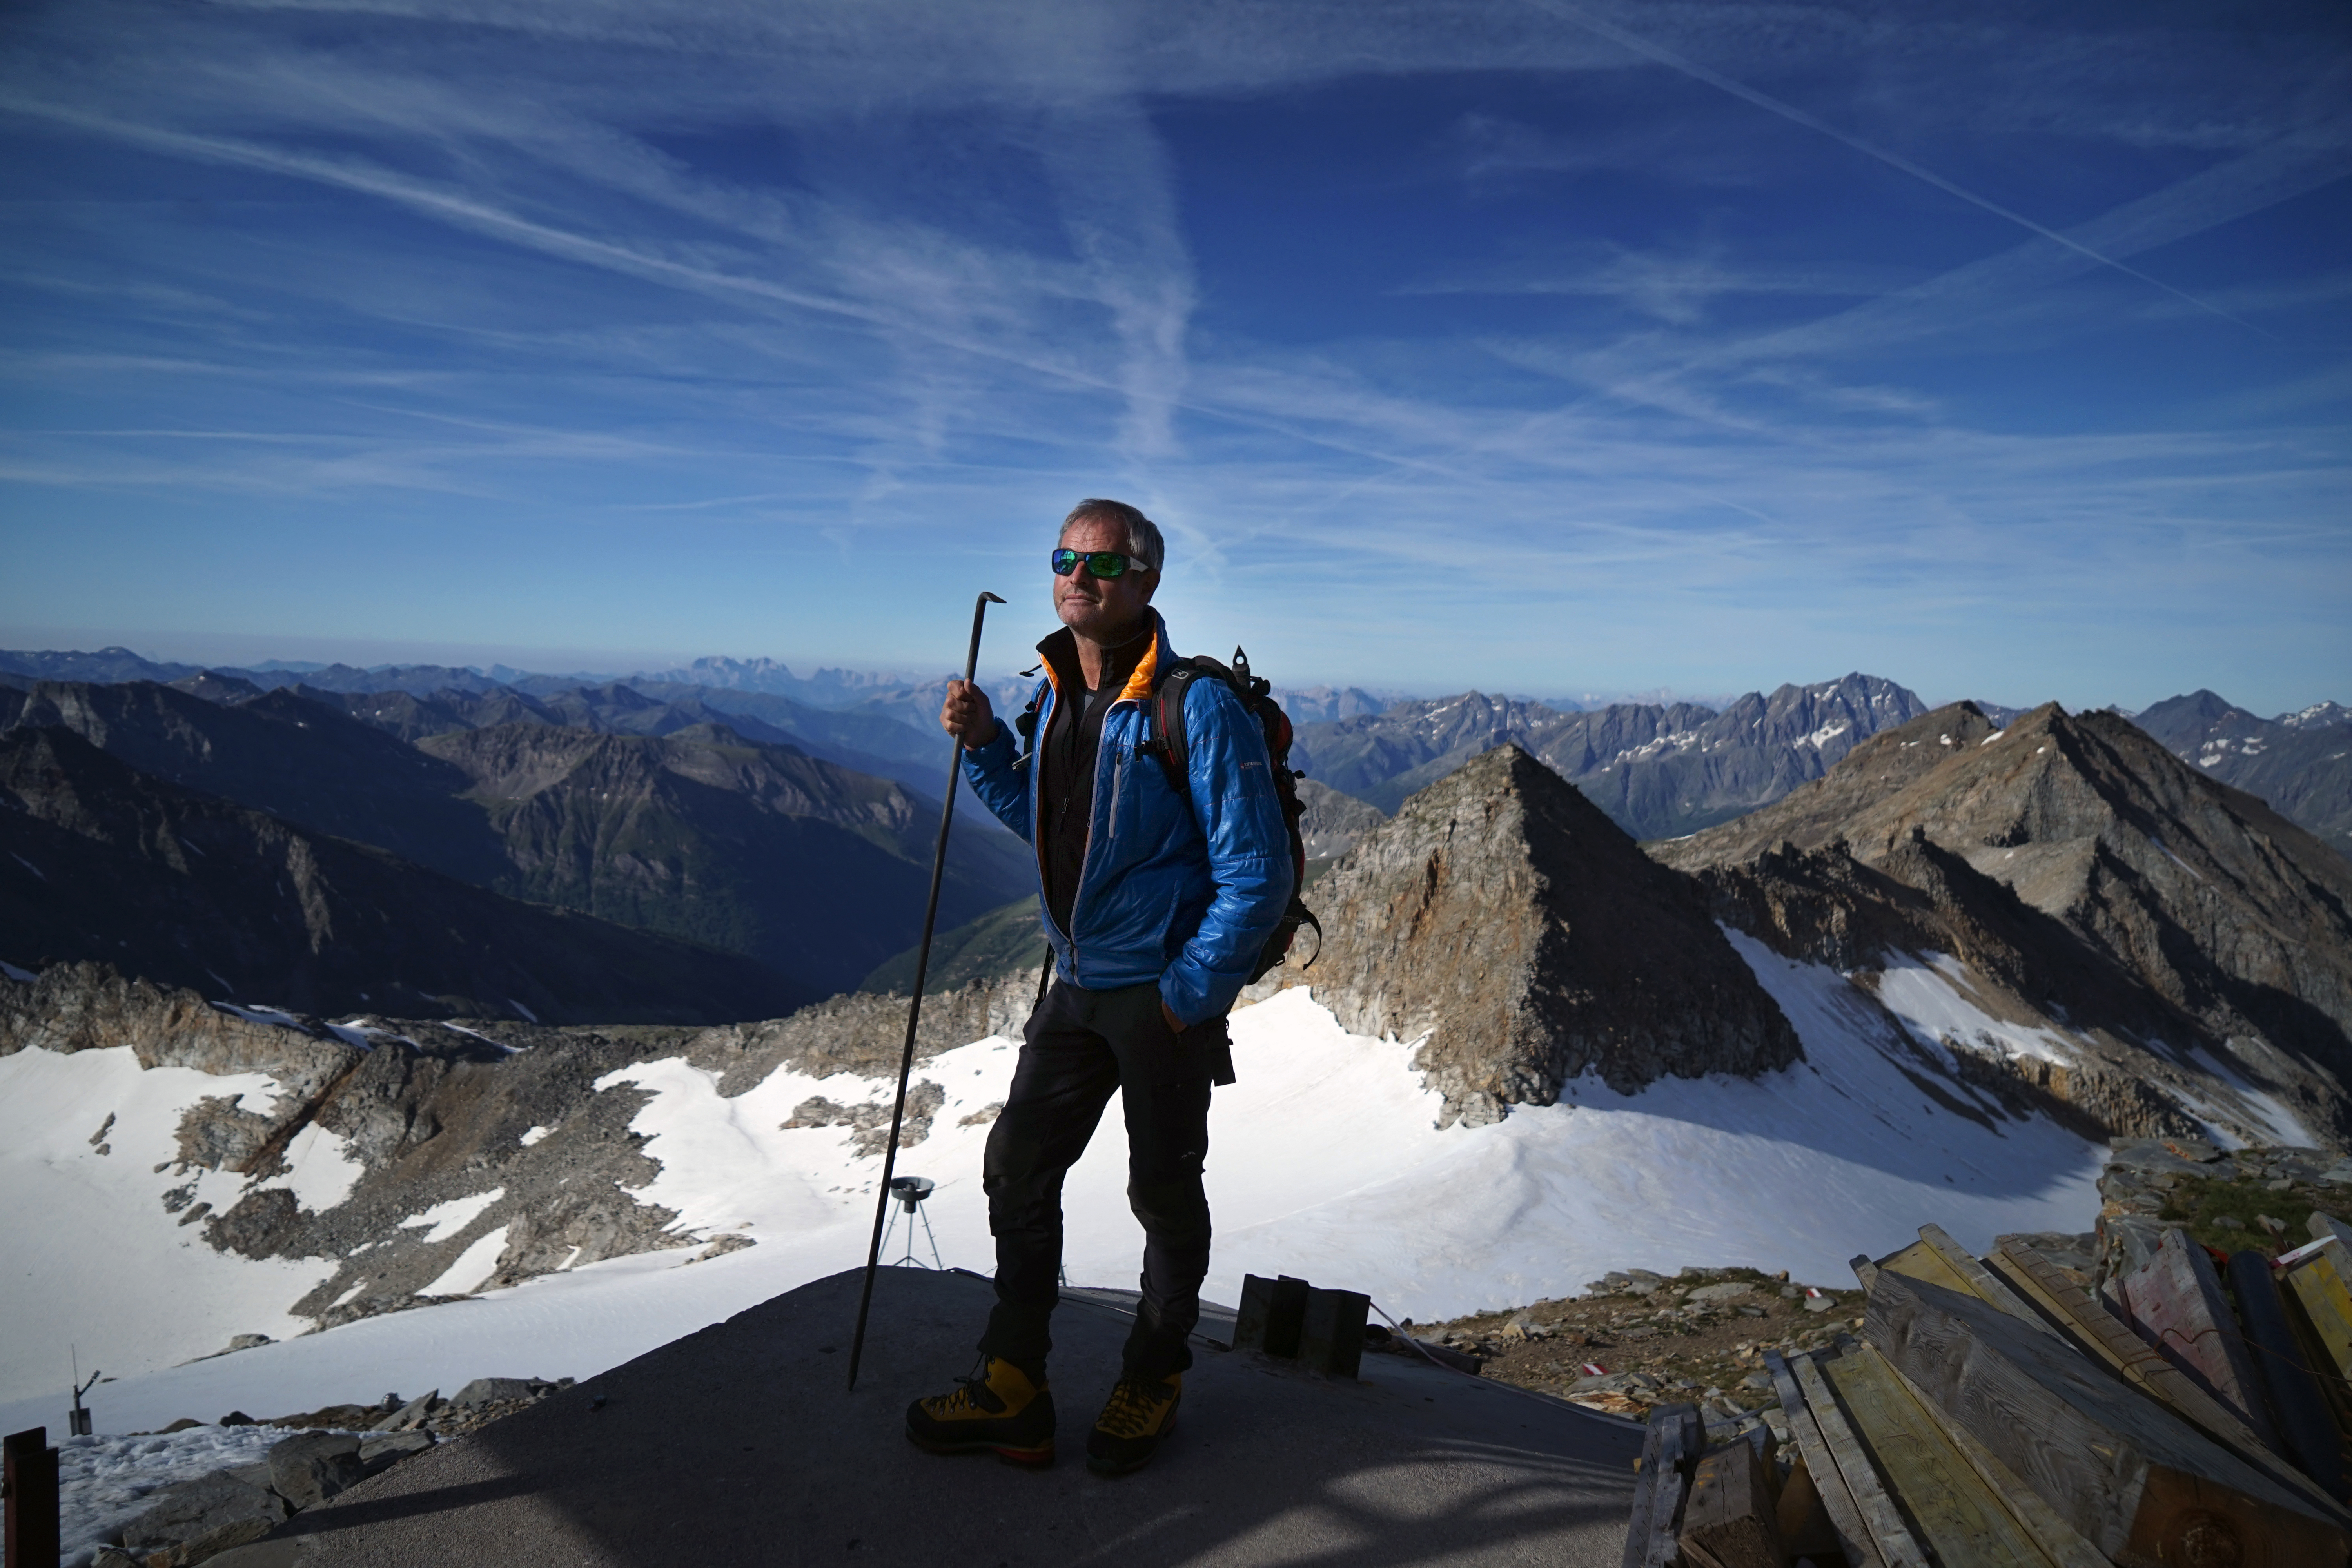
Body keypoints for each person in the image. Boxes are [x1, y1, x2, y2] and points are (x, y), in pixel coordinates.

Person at [906, 498, 1294, 1476]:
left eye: (1104, 564)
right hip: (1075, 985)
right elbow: (1045, 823)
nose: (1079, 575)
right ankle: (1014, 1383)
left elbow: (1259, 873)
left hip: (1156, 993)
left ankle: (1151, 1373)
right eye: (1066, 558)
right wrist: (991, 740)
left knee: (1162, 1192)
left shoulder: (1195, 704)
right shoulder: (1055, 695)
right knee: (1017, 1166)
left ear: (1147, 581)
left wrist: (1186, 991)